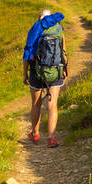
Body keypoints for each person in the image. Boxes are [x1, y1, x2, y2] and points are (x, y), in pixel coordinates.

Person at [22, 8, 67, 147]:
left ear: (39, 18)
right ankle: (52, 138)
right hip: (55, 70)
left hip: (37, 71)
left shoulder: (36, 30)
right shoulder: (59, 29)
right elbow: (64, 52)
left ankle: (35, 134)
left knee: (36, 103)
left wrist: (25, 73)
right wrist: (64, 69)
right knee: (52, 104)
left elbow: (27, 53)